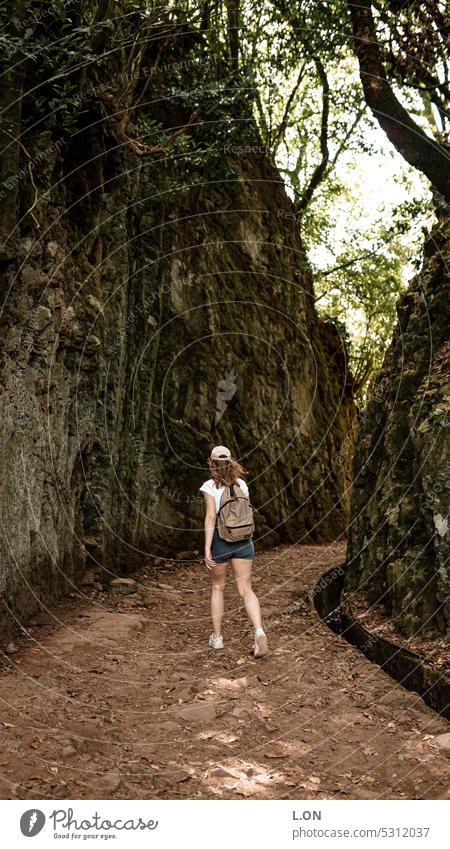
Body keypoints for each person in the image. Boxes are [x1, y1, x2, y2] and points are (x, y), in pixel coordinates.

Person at [199, 445, 268, 658]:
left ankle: (217, 638)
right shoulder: (242, 484)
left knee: (218, 587)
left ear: (211, 463)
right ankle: (259, 631)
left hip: (222, 540)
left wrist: (207, 548)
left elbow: (211, 517)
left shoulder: (209, 486)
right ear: (231, 462)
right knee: (246, 588)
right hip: (244, 541)